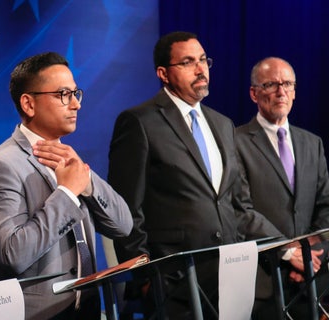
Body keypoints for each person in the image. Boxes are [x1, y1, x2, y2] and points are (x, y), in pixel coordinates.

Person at [107, 31, 282, 318]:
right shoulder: (139, 122)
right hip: (175, 281)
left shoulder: (222, 124)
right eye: (188, 62)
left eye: (203, 60)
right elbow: (126, 210)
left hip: (230, 273)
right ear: (163, 73)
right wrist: (147, 277)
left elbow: (234, 201)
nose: (201, 69)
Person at [0, 52, 133, 319]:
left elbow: (123, 226)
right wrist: (67, 193)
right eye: (63, 94)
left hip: (88, 310)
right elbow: (15, 253)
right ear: (28, 104)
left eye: (76, 93)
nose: (76, 105)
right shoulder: (1, 165)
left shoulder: (69, 159)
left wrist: (88, 183)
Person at [235, 57, 329, 319]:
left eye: (288, 84)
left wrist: (309, 254)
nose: (281, 91)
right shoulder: (235, 141)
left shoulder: (313, 143)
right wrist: (288, 252)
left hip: (312, 278)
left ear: (295, 91)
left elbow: (326, 206)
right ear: (254, 93)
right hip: (263, 281)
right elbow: (241, 210)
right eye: (271, 84)